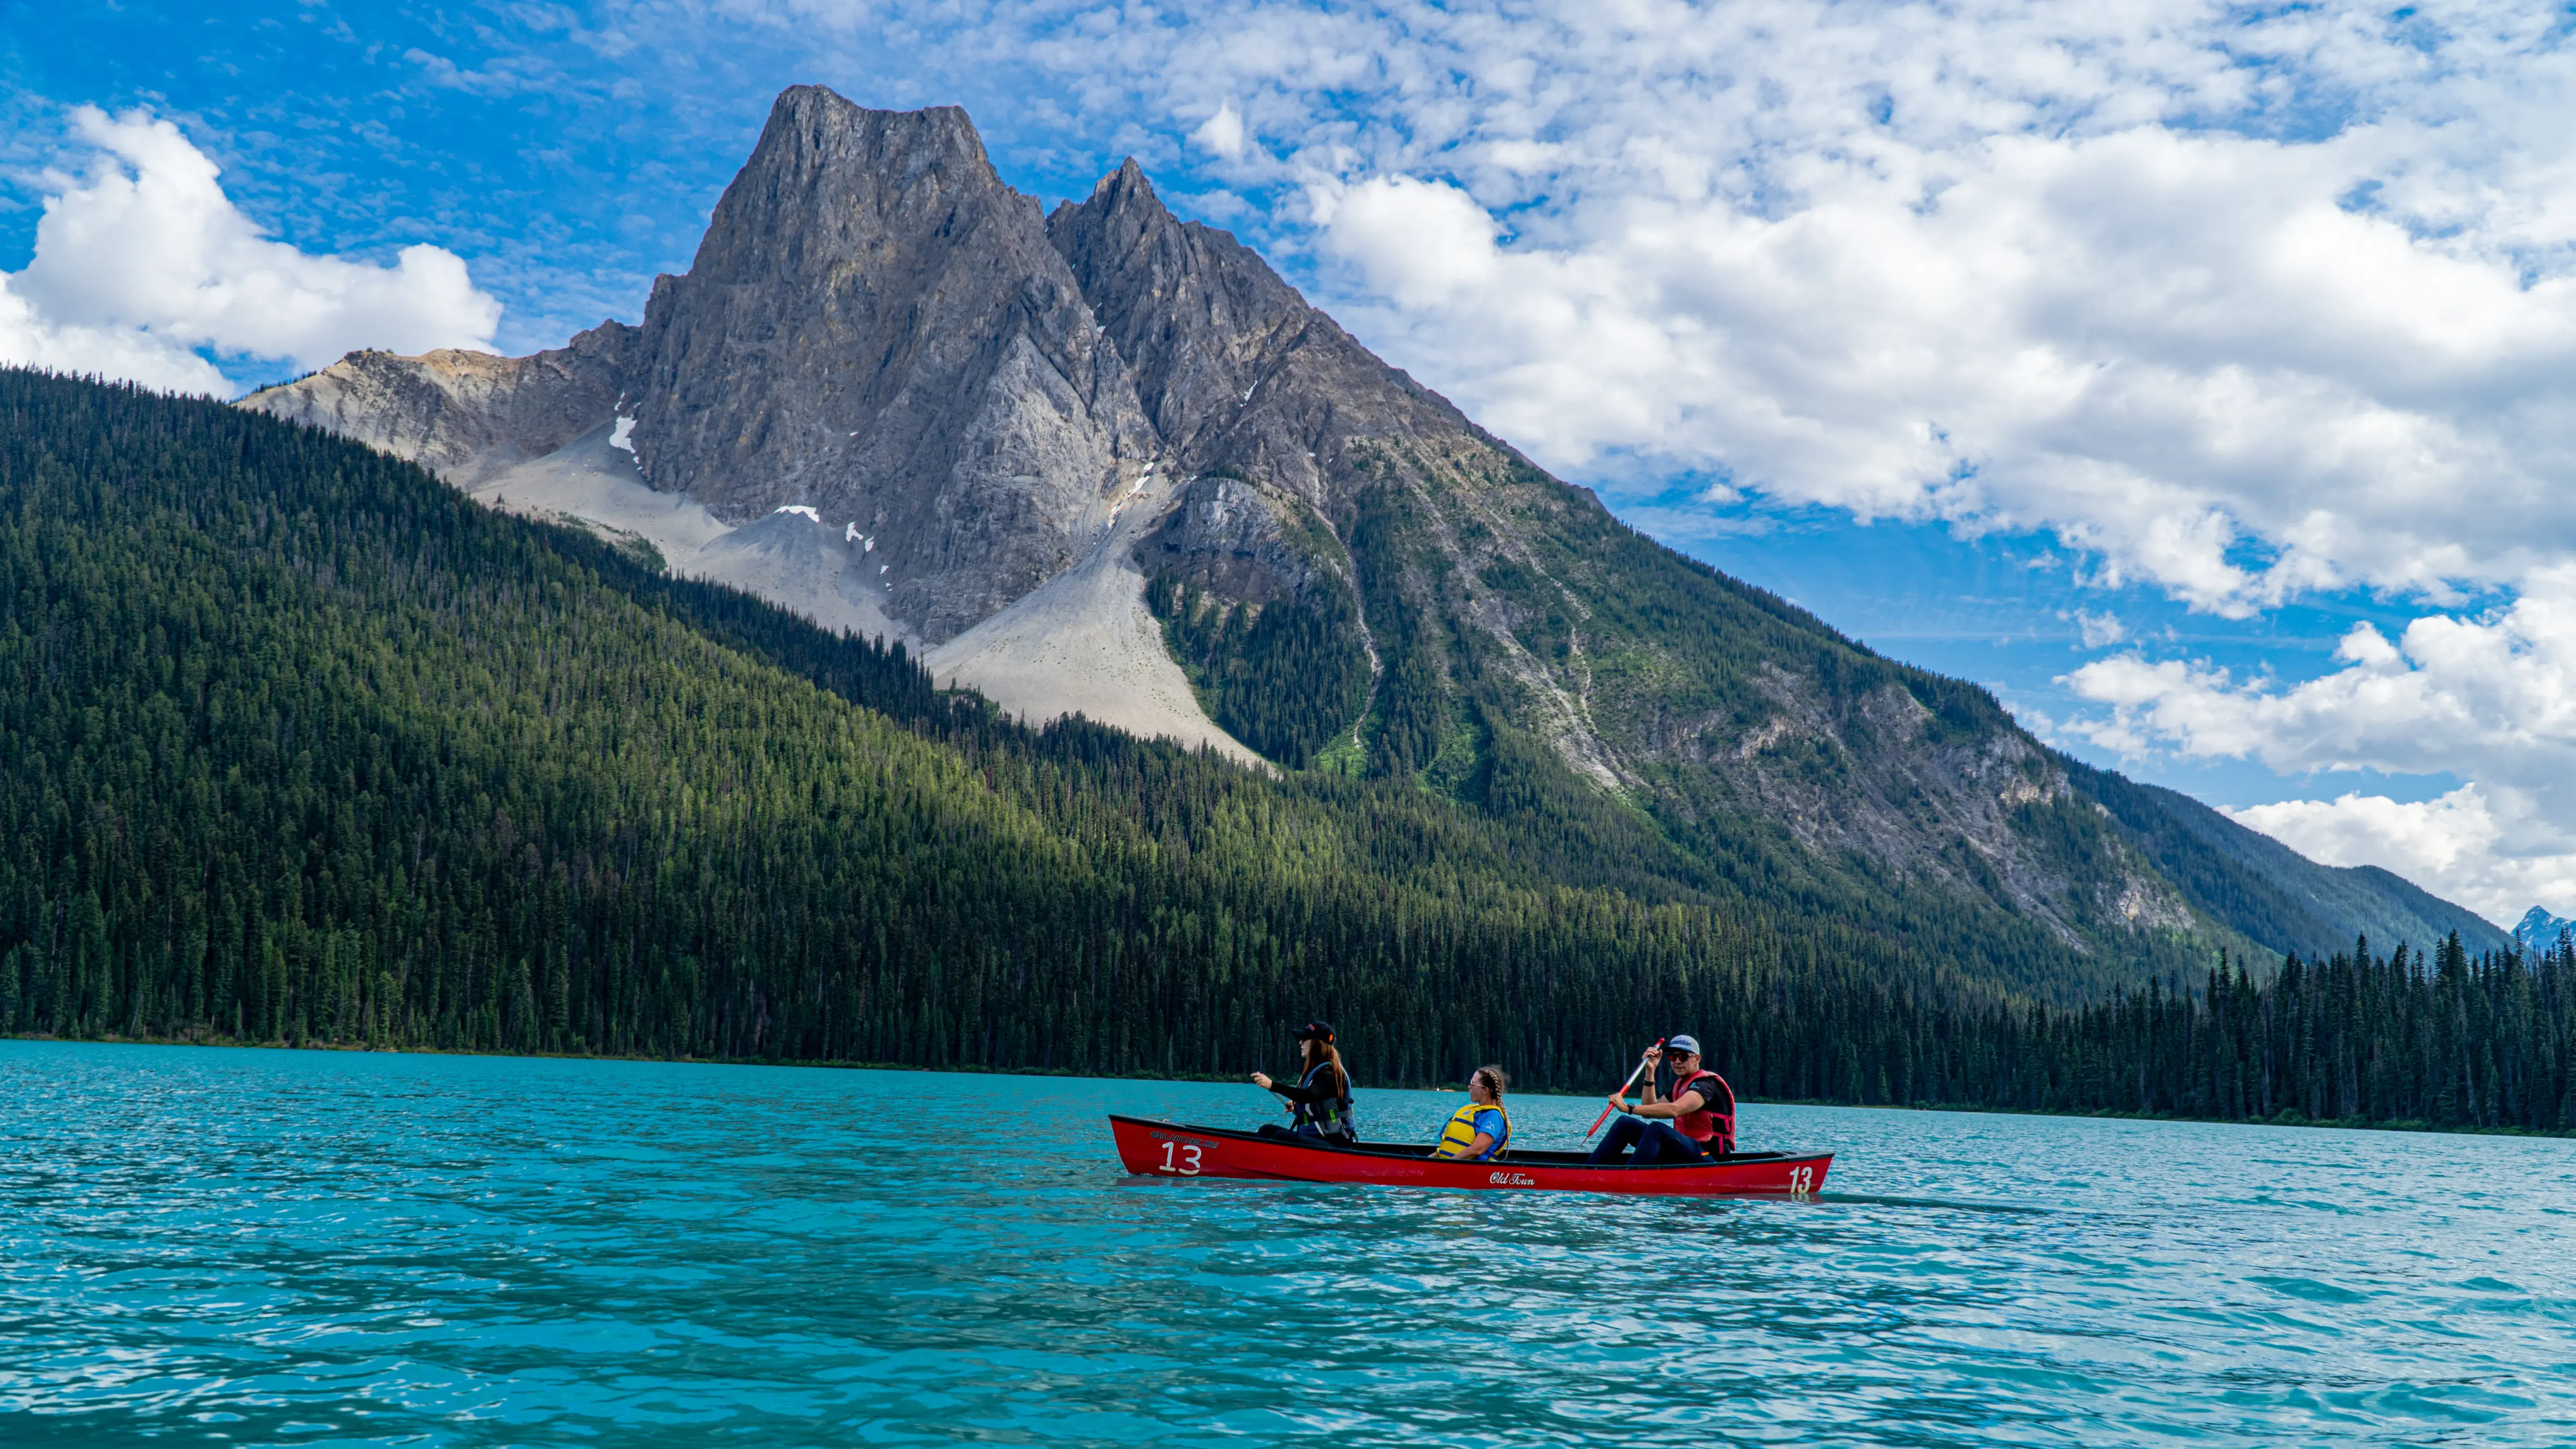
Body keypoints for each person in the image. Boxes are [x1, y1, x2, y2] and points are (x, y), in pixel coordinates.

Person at [1586, 1035, 1738, 1166]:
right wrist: (1650, 1070)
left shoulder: (1706, 1085)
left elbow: (1675, 1110)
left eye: (1683, 1057)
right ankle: (1591, 1170)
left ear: (1697, 1059)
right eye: (1673, 1057)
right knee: (1625, 1124)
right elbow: (1649, 1110)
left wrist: (1628, 1108)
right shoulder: (1681, 1087)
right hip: (1688, 1153)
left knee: (1657, 1130)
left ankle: (1628, 1176)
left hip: (1710, 1158)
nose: (1677, 1061)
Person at [1250, 1019, 1357, 1144]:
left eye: (1305, 1039)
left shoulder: (1330, 1074)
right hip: (1317, 1138)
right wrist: (1296, 1107)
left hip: (1333, 1142)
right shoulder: (1319, 1072)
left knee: (1280, 1137)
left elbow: (1308, 1096)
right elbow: (1314, 1102)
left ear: (1317, 1044)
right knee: (1266, 1131)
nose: (1301, 1042)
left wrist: (1272, 1085)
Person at [1430, 1064, 1512, 1161]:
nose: (1469, 1087)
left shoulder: (1493, 1116)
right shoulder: (1474, 1111)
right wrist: (1433, 1157)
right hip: (1451, 1166)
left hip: (1468, 1170)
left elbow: (1477, 1150)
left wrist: (1448, 1164)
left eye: (1473, 1084)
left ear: (1485, 1090)